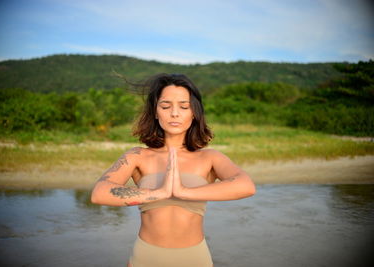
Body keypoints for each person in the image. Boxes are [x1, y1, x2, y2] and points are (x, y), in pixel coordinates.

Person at [91, 73, 256, 267]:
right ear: (155, 111)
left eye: (184, 107)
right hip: (145, 257)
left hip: (194, 258)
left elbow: (247, 186)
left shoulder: (209, 157)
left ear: (194, 112)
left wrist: (183, 192)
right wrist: (158, 193)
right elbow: (99, 194)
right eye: (166, 106)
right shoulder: (138, 156)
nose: (175, 113)